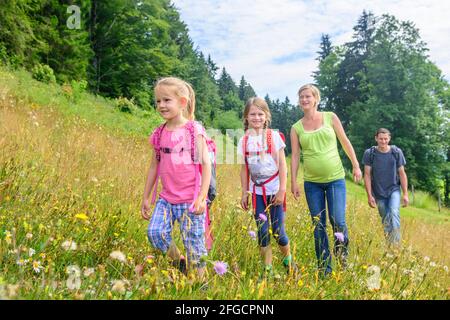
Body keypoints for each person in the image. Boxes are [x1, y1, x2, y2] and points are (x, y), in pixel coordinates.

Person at [141, 77, 211, 280]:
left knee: (194, 246)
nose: (161, 105)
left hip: (190, 200)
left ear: (182, 102)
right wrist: (146, 197)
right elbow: (154, 165)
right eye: (158, 101)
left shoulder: (193, 130)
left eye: (166, 100)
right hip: (166, 199)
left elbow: (206, 164)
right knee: (155, 233)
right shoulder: (159, 133)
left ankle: (201, 284)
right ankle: (179, 261)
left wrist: (202, 196)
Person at [290, 84, 362, 277]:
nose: (304, 100)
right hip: (311, 183)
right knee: (318, 224)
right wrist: (293, 181)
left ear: (316, 99)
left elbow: (345, 141)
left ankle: (342, 258)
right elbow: (295, 156)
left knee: (337, 220)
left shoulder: (330, 117)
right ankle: (325, 269)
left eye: (308, 96)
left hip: (335, 179)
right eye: (301, 97)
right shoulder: (296, 128)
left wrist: (355, 164)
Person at [238, 97, 296, 279]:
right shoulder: (244, 140)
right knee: (263, 232)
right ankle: (267, 270)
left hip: (274, 190)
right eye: (252, 114)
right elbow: (244, 168)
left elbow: (283, 166)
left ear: (266, 116)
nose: (256, 118)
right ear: (246, 117)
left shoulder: (273, 137)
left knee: (278, 232)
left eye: (260, 114)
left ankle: (289, 262)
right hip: (256, 192)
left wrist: (282, 190)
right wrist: (245, 192)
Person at [362, 128, 409, 247]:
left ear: (389, 139)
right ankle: (389, 245)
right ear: (376, 138)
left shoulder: (396, 152)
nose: (383, 141)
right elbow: (367, 175)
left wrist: (405, 194)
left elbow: (402, 174)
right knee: (386, 219)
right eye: (381, 139)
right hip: (378, 192)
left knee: (394, 212)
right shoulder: (370, 153)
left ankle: (396, 246)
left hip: (393, 189)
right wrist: (369, 195)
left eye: (386, 139)